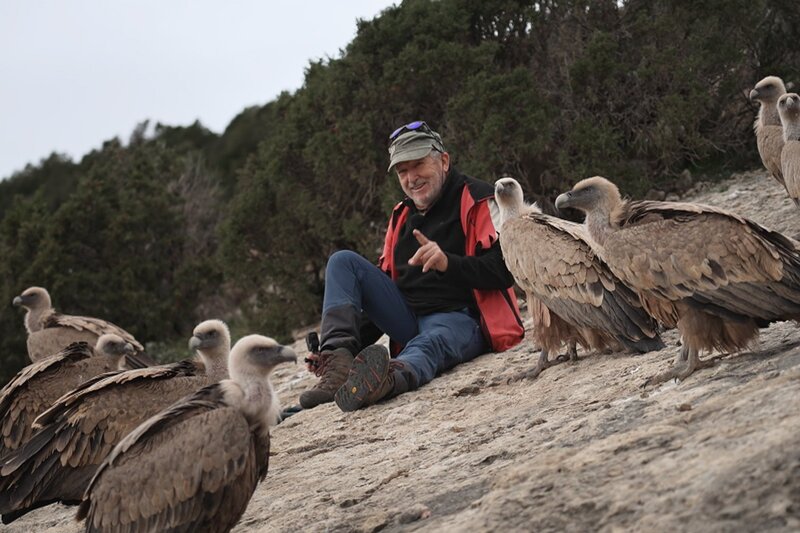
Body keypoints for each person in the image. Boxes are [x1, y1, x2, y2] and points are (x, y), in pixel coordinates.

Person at [299, 121, 524, 412]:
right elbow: (384, 295)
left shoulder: (481, 199)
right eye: (402, 171)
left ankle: (386, 380)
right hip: (408, 319)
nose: (411, 178)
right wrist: (344, 350)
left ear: (444, 161)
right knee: (342, 262)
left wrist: (448, 263)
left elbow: (505, 270)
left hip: (461, 320)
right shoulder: (401, 215)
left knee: (430, 344)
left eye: (418, 165)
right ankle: (337, 366)